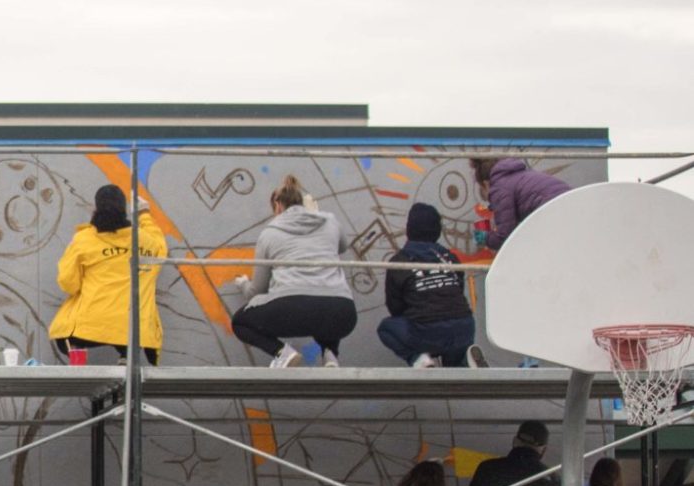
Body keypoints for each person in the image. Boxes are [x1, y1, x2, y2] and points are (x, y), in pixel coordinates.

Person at [228, 175, 357, 367]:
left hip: (292, 309)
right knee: (325, 293)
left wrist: (243, 283)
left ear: (278, 205)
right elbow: (343, 246)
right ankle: (330, 354)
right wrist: (318, 215)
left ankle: (282, 353)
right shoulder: (329, 221)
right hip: (343, 313)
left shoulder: (269, 233)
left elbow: (257, 291)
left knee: (240, 322)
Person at [47, 184, 164, 364]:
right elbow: (160, 247)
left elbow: (68, 284)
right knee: (130, 331)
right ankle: (127, 356)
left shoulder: (85, 239)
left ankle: (79, 363)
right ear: (124, 210)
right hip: (133, 328)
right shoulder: (145, 240)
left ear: (96, 209)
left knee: (64, 339)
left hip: (92, 323)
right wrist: (144, 214)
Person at [378, 202, 477, 369]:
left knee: (387, 327)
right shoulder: (450, 258)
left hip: (428, 333)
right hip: (465, 329)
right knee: (455, 363)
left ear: (409, 229)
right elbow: (457, 292)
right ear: (437, 230)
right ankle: (463, 363)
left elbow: (395, 307)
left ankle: (419, 359)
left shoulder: (400, 261)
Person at [472, 157, 571, 250]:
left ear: (485, 184)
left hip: (553, 213)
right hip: (571, 203)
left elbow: (504, 236)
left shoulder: (499, 188)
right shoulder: (520, 176)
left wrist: (485, 238)